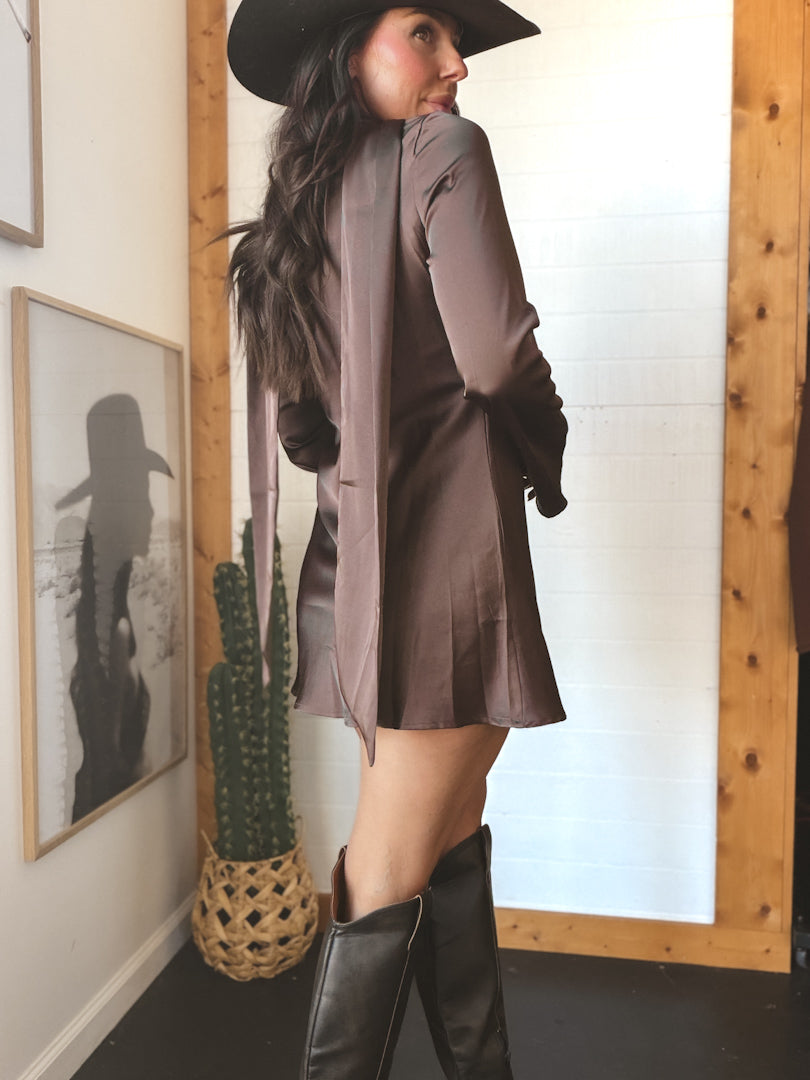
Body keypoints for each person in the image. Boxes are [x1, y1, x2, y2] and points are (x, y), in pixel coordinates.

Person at [227, 2, 568, 1076]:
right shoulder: (443, 149)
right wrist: (545, 448)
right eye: (424, 31)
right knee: (386, 870)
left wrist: (366, 471)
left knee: (450, 831)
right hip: (449, 576)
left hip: (364, 582)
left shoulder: (296, 217)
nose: (456, 63)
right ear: (346, 47)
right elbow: (499, 360)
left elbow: (300, 428)